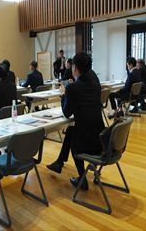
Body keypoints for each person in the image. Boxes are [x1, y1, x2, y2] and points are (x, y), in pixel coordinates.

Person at [47, 52, 105, 190]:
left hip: (87, 142)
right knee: (72, 130)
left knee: (74, 137)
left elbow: (67, 113)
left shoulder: (73, 87)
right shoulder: (95, 83)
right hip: (100, 137)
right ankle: (59, 162)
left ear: (75, 68)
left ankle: (81, 179)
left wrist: (63, 94)